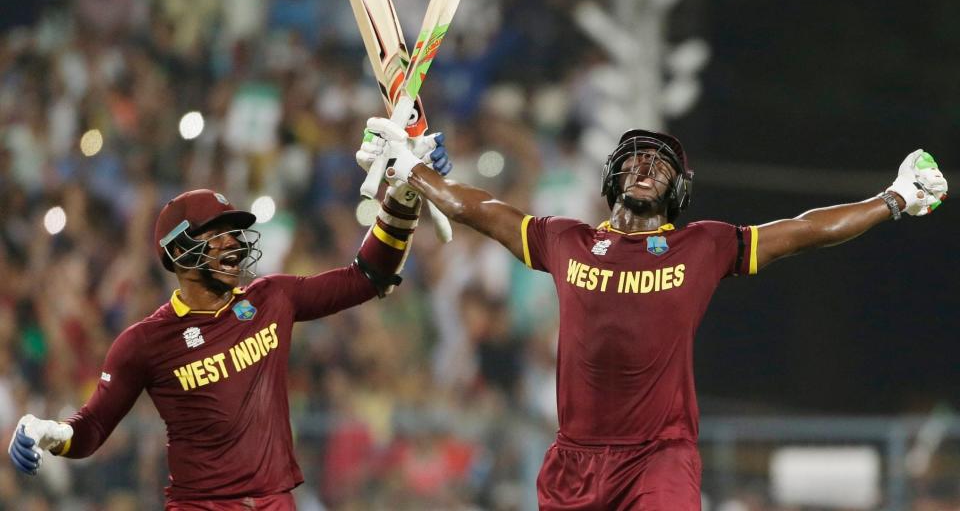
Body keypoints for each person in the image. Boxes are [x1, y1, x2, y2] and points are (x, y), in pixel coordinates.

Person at [356, 120, 948, 510]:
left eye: (661, 166)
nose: (647, 168)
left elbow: (801, 232)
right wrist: (414, 171)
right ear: (615, 176)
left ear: (677, 191)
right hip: (574, 459)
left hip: (658, 456)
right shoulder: (567, 239)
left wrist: (890, 200)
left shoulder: (705, 245)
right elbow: (481, 209)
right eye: (637, 160)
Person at [7, 137, 452, 510]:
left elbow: (366, 277)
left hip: (277, 503)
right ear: (177, 251)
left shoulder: (272, 298)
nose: (232, 244)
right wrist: (51, 432)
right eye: (216, 234)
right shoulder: (144, 342)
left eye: (233, 233)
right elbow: (92, 430)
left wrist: (404, 195)